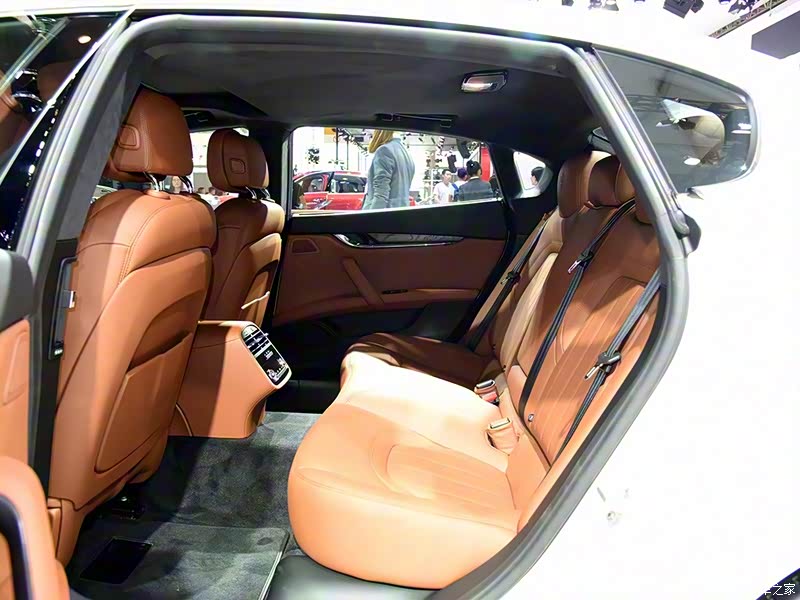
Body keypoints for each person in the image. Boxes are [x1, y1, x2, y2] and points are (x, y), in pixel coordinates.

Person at [362, 130, 415, 210]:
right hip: (401, 212)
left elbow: (381, 195)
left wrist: (371, 216)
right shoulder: (406, 152)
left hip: (385, 214)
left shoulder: (384, 150)